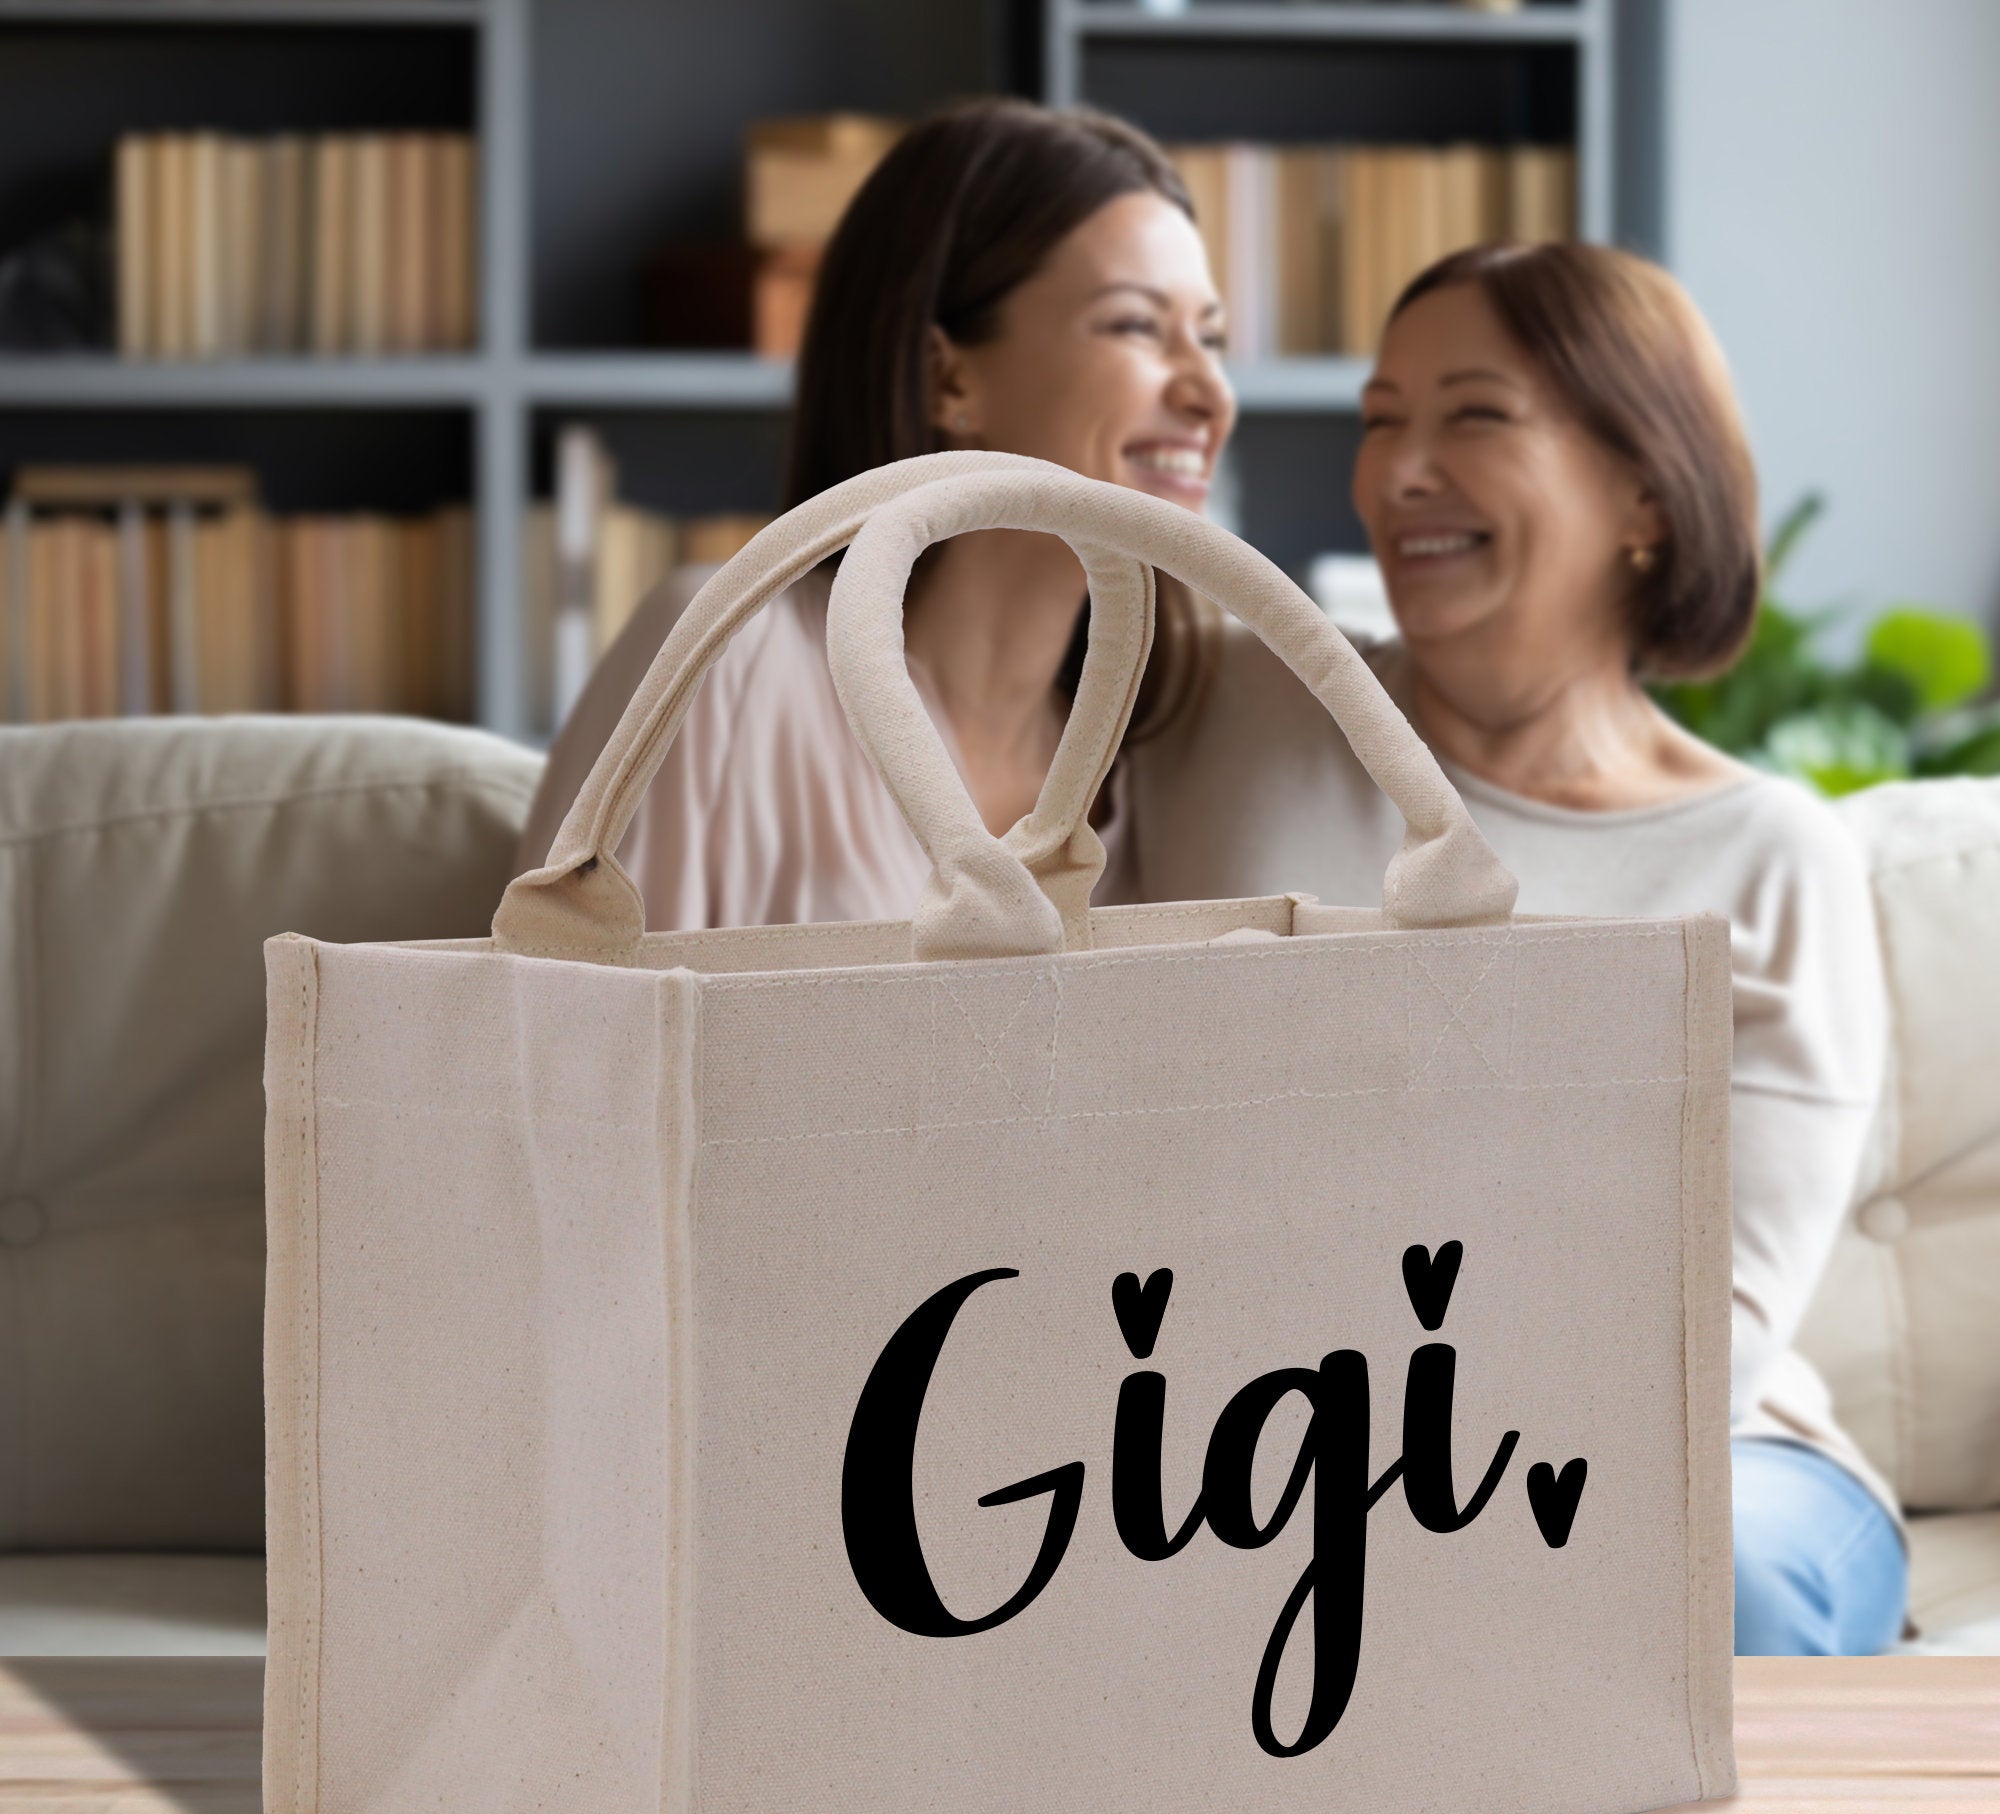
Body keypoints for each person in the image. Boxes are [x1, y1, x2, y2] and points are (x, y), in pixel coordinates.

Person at [1129, 242, 1906, 1655]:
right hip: (1238, 1438)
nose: (1398, 473)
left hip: (1699, 1458)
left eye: (1474, 416)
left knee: (1719, 1581)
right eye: (1379, 419)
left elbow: (1709, 1336)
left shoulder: (1774, 859)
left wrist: (1369, 1484)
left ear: (1646, 496)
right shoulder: (1222, 696)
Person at [519, 98, 1234, 924]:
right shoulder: (729, 656)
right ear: (946, 379)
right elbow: (565, 1032)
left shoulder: (1179, 742)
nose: (1209, 393)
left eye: (1211, 338)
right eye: (1137, 326)